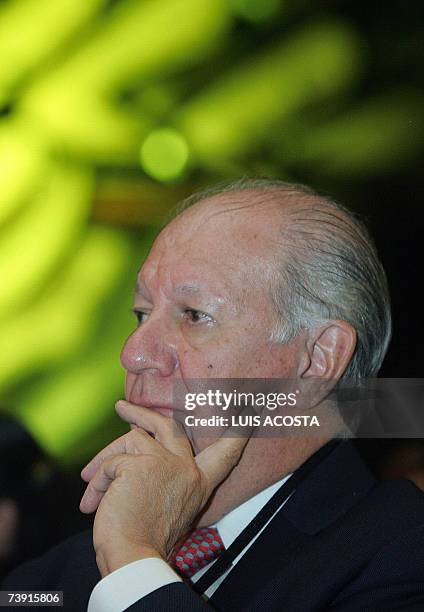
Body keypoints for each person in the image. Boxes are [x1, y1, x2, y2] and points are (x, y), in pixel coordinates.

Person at [4, 178, 424, 611]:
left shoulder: (403, 559)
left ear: (319, 358)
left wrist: (133, 563)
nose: (134, 354)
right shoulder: (61, 569)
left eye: (193, 315)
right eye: (141, 313)